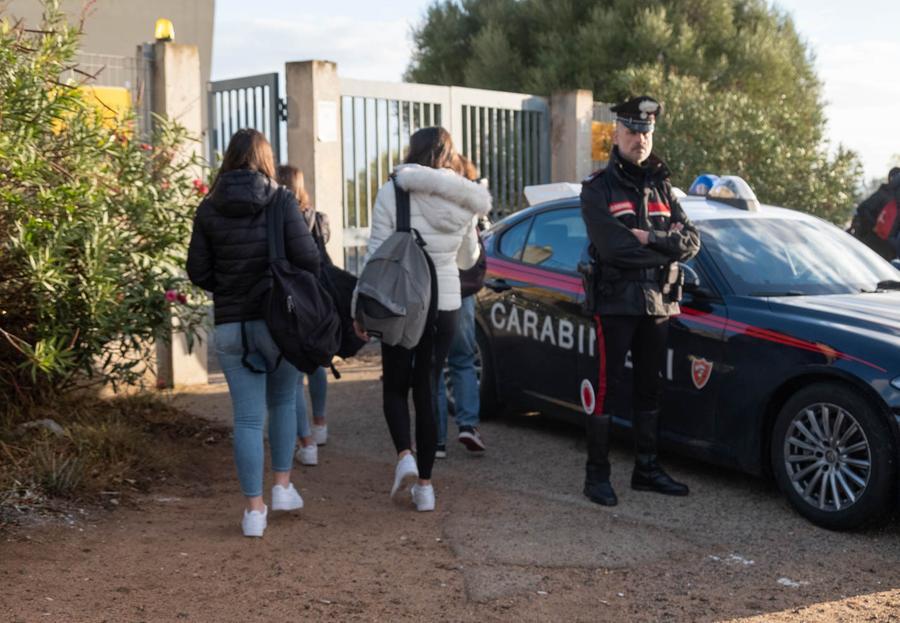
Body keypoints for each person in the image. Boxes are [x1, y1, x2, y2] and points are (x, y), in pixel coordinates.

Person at [187, 129, 320, 536]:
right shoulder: (282, 200)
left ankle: (253, 512)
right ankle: (282, 487)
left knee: (246, 418)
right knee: (282, 401)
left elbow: (197, 271)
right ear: (265, 158)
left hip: (232, 324)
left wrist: (230, 287)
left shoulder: (208, 207)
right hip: (279, 322)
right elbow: (308, 257)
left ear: (228, 158)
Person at [354, 127, 492, 511]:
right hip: (445, 304)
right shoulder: (465, 198)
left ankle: (405, 456)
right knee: (428, 386)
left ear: (412, 150)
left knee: (395, 385)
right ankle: (426, 489)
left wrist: (358, 306)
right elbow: (468, 259)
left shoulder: (394, 190)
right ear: (449, 154)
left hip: (401, 300)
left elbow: (377, 253)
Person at [579, 96, 701, 507]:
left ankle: (646, 470)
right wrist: (667, 249)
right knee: (606, 388)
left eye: (646, 132)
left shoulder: (663, 186)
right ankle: (596, 476)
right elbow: (614, 250)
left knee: (650, 389)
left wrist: (651, 238)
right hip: (615, 302)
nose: (640, 139)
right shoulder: (598, 188)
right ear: (616, 134)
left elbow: (693, 242)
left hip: (659, 304)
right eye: (632, 131)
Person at [275, 165, 331, 467]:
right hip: (316, 298)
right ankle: (320, 424)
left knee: (293, 374)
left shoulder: (277, 217)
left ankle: (306, 442)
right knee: (317, 362)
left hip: (289, 299)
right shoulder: (318, 218)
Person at [435, 155, 488, 458]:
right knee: (463, 359)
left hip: (432, 291)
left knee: (432, 365)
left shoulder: (424, 199)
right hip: (461, 292)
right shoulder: (467, 205)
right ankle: (468, 425)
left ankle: (437, 440)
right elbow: (471, 256)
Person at [850, 167, 900, 261]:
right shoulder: (887, 195)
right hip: (886, 250)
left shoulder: (884, 193)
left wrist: (872, 227)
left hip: (869, 241)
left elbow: (862, 209)